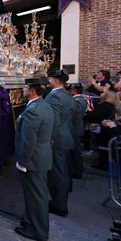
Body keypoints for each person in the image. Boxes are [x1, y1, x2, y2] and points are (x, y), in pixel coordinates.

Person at [14, 78, 54, 241]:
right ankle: (31, 221)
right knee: (35, 195)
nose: (23, 89)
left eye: (25, 87)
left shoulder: (34, 110)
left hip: (33, 160)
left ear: (32, 91)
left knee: (36, 197)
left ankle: (38, 231)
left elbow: (29, 141)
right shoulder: (43, 105)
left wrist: (23, 162)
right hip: (41, 156)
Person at [45, 70, 74, 217]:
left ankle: (60, 205)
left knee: (58, 173)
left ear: (56, 81)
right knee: (61, 172)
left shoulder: (55, 97)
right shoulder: (65, 94)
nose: (48, 81)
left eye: (50, 78)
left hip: (57, 139)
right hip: (64, 136)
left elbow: (53, 122)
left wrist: (46, 139)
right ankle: (59, 201)